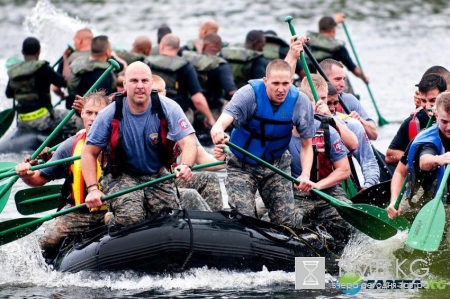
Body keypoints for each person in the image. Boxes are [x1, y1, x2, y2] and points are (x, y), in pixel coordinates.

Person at [82, 61, 199, 227]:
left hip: (156, 174)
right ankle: (113, 220)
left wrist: (186, 165)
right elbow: (88, 152)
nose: (139, 86)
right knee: (132, 218)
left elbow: (188, 141)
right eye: (134, 81)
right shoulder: (109, 114)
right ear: (124, 85)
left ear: (151, 83)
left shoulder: (169, 108)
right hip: (121, 175)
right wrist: (93, 189)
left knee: (170, 221)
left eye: (144, 81)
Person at [210, 57, 314, 228]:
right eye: (275, 83)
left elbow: (307, 145)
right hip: (242, 164)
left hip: (277, 165)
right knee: (245, 219)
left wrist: (305, 175)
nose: (281, 89)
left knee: (286, 224)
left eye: (286, 84)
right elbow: (220, 123)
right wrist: (218, 131)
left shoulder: (300, 102)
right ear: (265, 81)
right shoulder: (248, 95)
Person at [14, 91, 109, 260]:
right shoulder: (70, 146)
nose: (93, 118)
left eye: (99, 114)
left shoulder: (121, 139)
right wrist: (25, 174)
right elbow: (38, 179)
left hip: (113, 209)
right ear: (82, 114)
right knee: (49, 240)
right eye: (89, 113)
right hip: (80, 212)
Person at [290, 84, 353, 251]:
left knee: (348, 221)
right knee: (280, 222)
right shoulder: (279, 133)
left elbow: (344, 169)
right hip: (293, 194)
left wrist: (318, 185)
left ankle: (338, 251)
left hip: (327, 191)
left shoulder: (327, 131)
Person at [152, 75, 225, 211]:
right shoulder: (138, 117)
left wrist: (222, 160)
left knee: (209, 178)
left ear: (166, 94)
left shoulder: (175, 118)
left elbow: (204, 159)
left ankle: (216, 222)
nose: (157, 97)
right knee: (190, 195)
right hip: (148, 181)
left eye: (159, 92)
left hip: (170, 179)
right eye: (152, 93)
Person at [387, 92, 450, 223]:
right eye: (444, 121)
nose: (449, 127)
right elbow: (403, 170)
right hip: (424, 196)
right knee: (398, 218)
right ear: (436, 115)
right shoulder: (426, 140)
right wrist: (394, 201)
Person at [5, 37, 78, 140]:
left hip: (22, 120)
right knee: (76, 119)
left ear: (22, 52)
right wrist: (65, 58)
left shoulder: (15, 71)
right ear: (39, 52)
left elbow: (8, 94)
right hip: (42, 119)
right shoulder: (43, 68)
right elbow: (63, 82)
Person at [146, 33, 215, 127]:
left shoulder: (148, 62)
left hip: (151, 112)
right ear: (178, 49)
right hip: (177, 115)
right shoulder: (185, 66)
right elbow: (197, 99)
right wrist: (210, 119)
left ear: (161, 46)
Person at [386, 73, 446, 165]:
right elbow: (389, 156)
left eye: (433, 101)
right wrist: (417, 158)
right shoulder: (413, 121)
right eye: (423, 101)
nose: (427, 106)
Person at [182, 33, 237, 120]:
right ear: (219, 48)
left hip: (191, 110)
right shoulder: (222, 66)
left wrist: (199, 50)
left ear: (203, 46)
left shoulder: (189, 62)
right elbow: (231, 91)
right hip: (213, 111)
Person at [306, 13, 368, 84]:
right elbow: (354, 69)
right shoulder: (338, 48)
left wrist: (334, 22)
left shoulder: (308, 42)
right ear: (333, 29)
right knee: (342, 76)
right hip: (329, 83)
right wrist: (364, 78)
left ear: (319, 29)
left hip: (310, 81)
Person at [67, 35, 120, 101]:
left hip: (72, 105)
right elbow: (103, 102)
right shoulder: (103, 74)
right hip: (90, 108)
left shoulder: (80, 63)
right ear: (107, 51)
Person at [53, 28, 94, 109]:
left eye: (74, 41)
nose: (74, 44)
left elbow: (55, 88)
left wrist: (62, 95)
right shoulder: (100, 56)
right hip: (95, 107)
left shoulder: (68, 59)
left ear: (80, 41)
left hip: (74, 108)